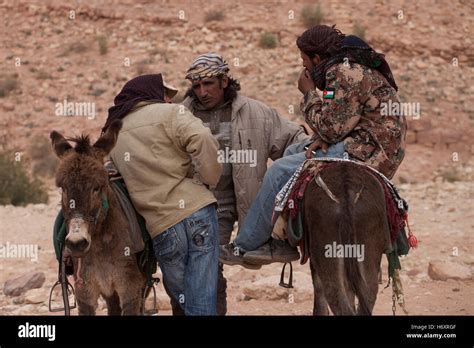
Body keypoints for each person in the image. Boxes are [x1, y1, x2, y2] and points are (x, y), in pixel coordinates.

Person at [220, 24, 407, 266]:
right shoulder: (343, 69)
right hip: (363, 141)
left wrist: (308, 93)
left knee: (278, 171)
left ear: (317, 58)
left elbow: (330, 128)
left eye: (304, 60)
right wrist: (325, 133)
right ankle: (282, 237)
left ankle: (244, 246)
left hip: (370, 152)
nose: (304, 67)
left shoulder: (342, 72)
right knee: (291, 152)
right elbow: (338, 120)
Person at [180, 53, 309, 315]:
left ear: (224, 80)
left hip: (248, 204)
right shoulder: (180, 116)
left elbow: (293, 140)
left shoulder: (256, 113)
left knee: (208, 268)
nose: (202, 92)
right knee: (205, 270)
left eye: (209, 84)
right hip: (200, 206)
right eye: (196, 86)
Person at [105, 74, 223, 315]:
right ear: (150, 93)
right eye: (166, 94)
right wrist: (209, 180)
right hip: (197, 210)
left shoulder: (113, 134)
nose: (169, 100)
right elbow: (202, 138)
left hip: (161, 226)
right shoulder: (171, 114)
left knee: (185, 300)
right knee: (202, 299)